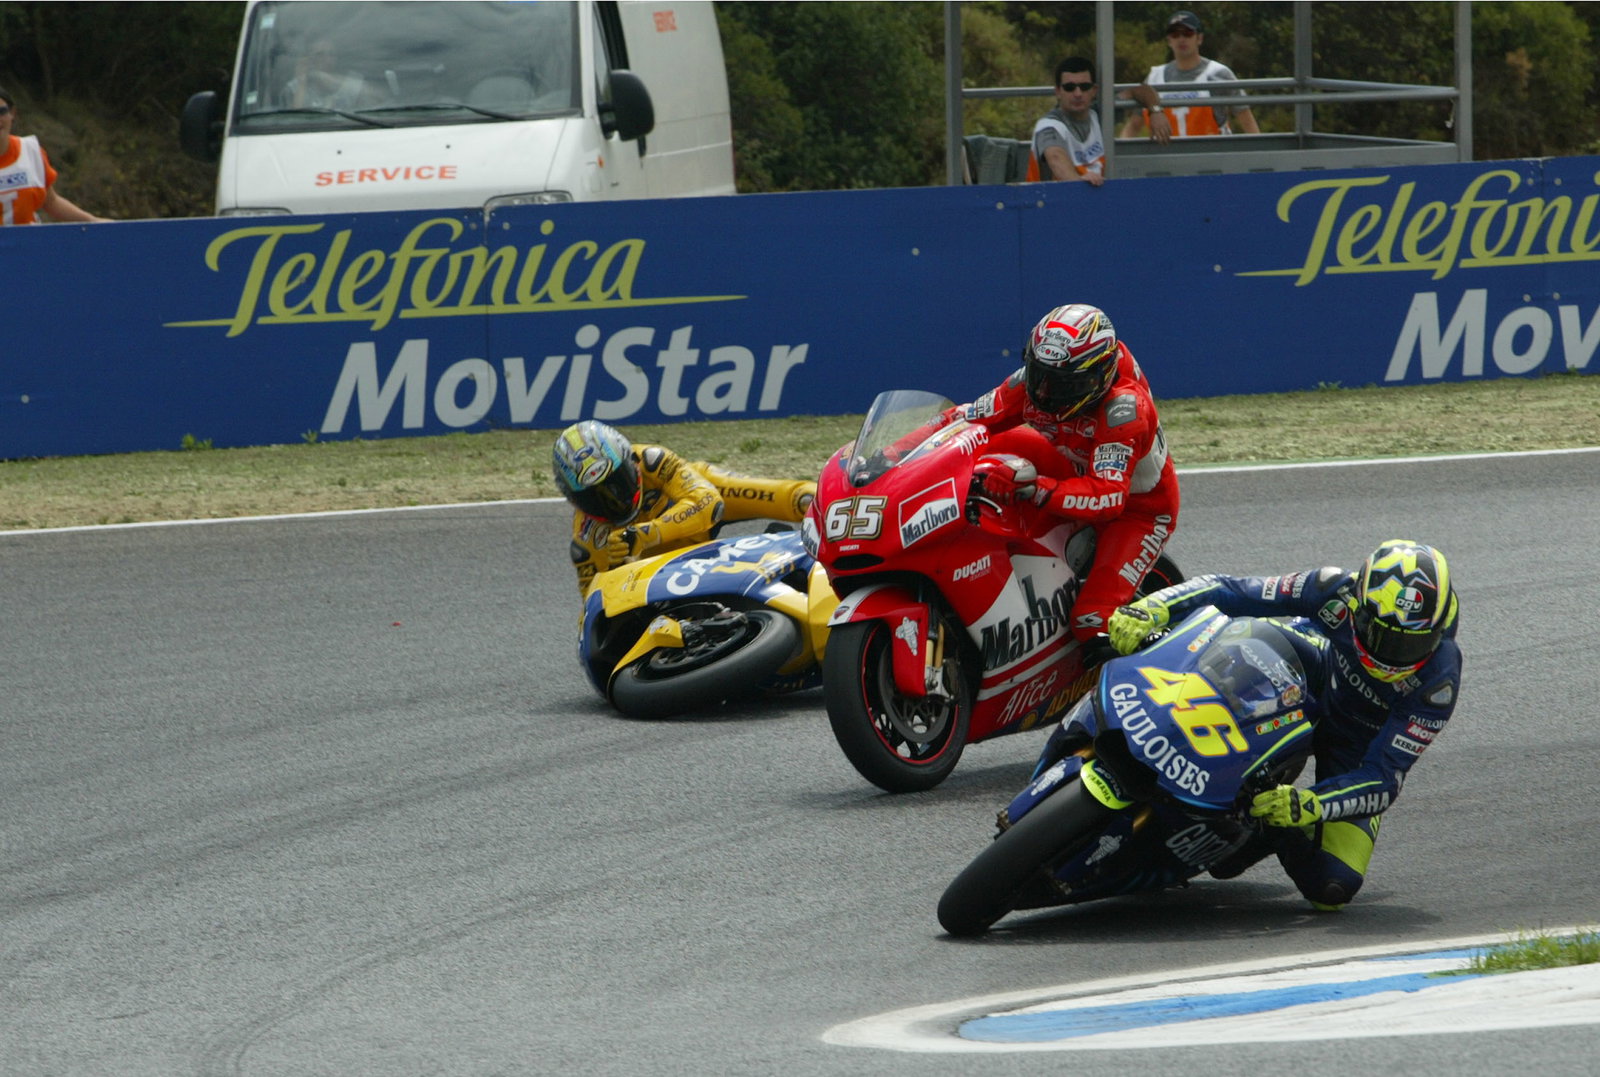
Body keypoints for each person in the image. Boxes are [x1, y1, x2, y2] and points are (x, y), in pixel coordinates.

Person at [1106, 539, 1462, 911]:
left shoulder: (1438, 683)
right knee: (1235, 640)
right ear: (1359, 607)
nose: (1391, 655)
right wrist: (1154, 606)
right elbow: (1232, 590)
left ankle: (1251, 820)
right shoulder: (1333, 588)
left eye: (1410, 643)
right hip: (1309, 665)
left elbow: (1384, 779)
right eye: (1382, 634)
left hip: (1356, 742)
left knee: (1331, 886)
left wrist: (1310, 805)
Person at [935, 303, 1180, 644]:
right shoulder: (1037, 382)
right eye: (1041, 376)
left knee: (1092, 622)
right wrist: (896, 450)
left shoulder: (1124, 411)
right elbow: (968, 419)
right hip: (1070, 465)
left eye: (1065, 385)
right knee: (979, 449)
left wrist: (1034, 489)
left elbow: (1108, 498)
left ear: (1100, 375)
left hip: (1136, 510)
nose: (1047, 394)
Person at [551, 419, 818, 596]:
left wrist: (645, 534)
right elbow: (593, 610)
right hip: (663, 572)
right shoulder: (587, 537)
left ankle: (846, 515)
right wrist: (615, 565)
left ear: (630, 460)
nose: (613, 500)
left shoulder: (653, 461)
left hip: (699, 501)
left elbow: (708, 503)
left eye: (617, 483)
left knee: (798, 498)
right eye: (593, 497)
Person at [1119, 10, 1260, 140]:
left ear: (1199, 38)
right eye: (1175, 34)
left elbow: (1245, 118)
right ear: (1169, 41)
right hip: (1168, 160)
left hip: (1212, 156)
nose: (1181, 39)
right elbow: (1134, 124)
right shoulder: (1155, 77)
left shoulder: (1218, 73)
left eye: (1187, 33)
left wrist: (1260, 154)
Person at [1033, 58, 1170, 184]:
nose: (1078, 93)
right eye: (1070, 88)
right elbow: (1056, 158)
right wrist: (1079, 183)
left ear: (1094, 90)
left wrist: (1156, 111)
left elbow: (1139, 90)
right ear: (1057, 92)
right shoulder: (1049, 125)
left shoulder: (1100, 114)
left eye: (1084, 87)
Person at [0, 86, 105, 226]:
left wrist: (94, 221)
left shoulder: (30, 150)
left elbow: (51, 202)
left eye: (1, 112)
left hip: (29, 244)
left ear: (12, 113)